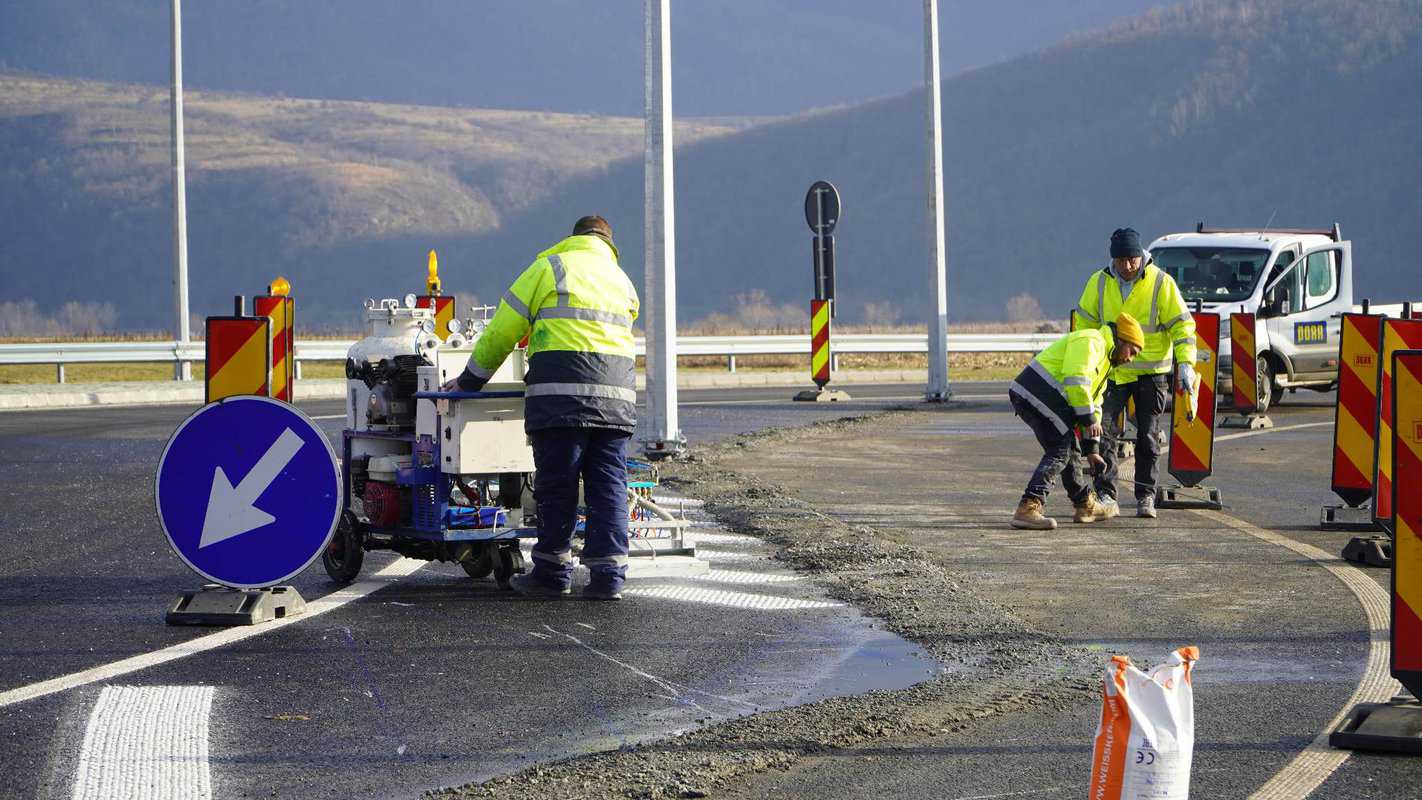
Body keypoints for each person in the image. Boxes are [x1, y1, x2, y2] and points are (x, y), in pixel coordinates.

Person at [443, 215, 639, 600]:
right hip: (617, 403)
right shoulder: (623, 282)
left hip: (561, 399)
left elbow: (502, 332)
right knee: (609, 487)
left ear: (574, 238)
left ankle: (551, 573)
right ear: (608, 244)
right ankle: (608, 579)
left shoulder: (549, 269)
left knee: (558, 485)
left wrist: (469, 382)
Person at [1071, 228, 1196, 519]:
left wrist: (1186, 364)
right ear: (1112, 260)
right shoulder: (1099, 283)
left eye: (1132, 259)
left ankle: (1146, 495)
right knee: (1104, 434)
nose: (1128, 266)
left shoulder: (1161, 284)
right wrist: (1087, 364)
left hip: (1152, 372)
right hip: (1112, 372)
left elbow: (1183, 326)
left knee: (1148, 437)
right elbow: (1084, 327)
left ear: (1141, 256)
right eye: (1121, 260)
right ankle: (1105, 493)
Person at [1009, 312, 1146, 530]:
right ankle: (1028, 507)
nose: (1130, 358)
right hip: (1036, 392)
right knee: (1061, 450)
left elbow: (1094, 403)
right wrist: (1089, 419)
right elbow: (1076, 381)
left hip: (1043, 396)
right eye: (1132, 351)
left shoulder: (1105, 361)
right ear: (1122, 340)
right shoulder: (1093, 341)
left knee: (1069, 449)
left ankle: (1084, 504)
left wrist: (1092, 450)